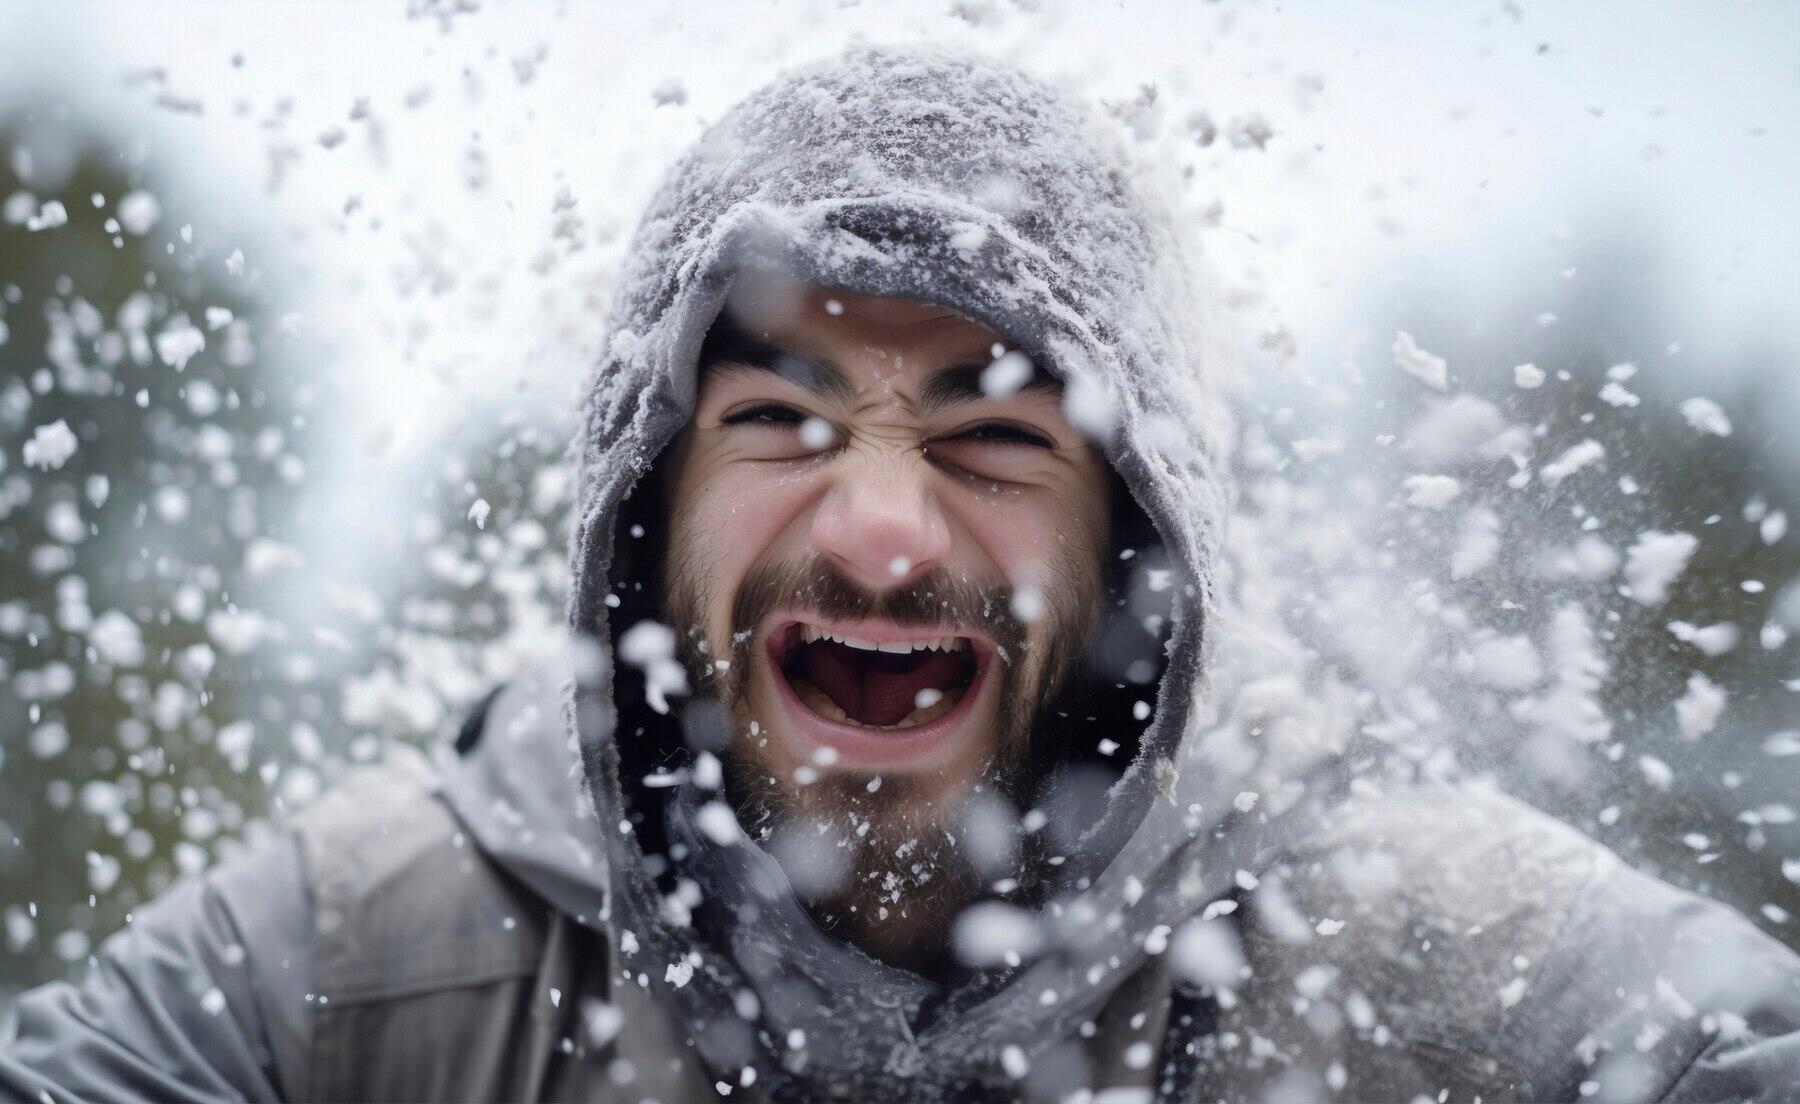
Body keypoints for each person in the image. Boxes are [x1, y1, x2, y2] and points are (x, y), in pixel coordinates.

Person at [4, 46, 1798, 1104]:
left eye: (995, 435)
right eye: (781, 421)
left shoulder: (1421, 960)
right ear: (644, 515)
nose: (880, 534)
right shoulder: (377, 963)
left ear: (1136, 540)